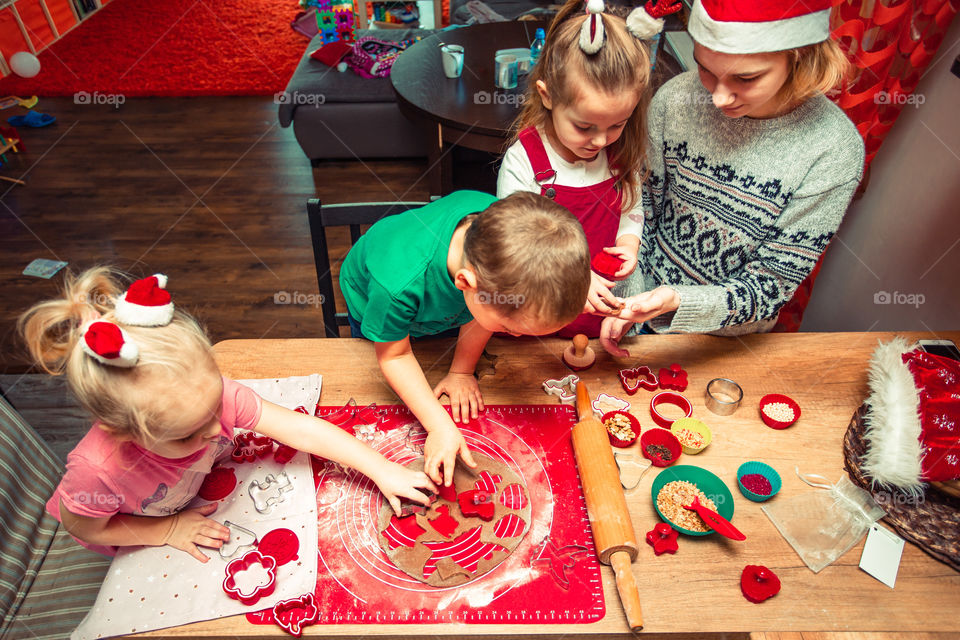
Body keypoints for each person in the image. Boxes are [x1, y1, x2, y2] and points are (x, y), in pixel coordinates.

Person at [19, 269, 437, 562]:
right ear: (125, 434)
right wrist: (165, 531)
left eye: (216, 406)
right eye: (188, 436)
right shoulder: (99, 472)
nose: (220, 429)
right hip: (136, 528)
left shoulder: (208, 404)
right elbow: (87, 529)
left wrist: (382, 469)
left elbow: (300, 429)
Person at [601, 0, 865, 355]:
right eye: (704, 69)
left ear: (800, 55)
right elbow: (637, 212)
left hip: (728, 347)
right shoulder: (676, 100)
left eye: (746, 78)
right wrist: (630, 301)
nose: (719, 97)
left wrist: (679, 302)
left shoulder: (833, 150)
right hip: (632, 319)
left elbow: (770, 287)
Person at [339, 190, 591, 486]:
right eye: (509, 329)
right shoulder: (395, 287)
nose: (516, 336)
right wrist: (439, 426)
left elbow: (480, 313)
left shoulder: (497, 241)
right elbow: (395, 355)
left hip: (449, 306)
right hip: (373, 299)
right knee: (395, 338)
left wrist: (461, 370)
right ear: (465, 283)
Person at [497, 0, 677, 337]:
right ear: (547, 96)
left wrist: (628, 242)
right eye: (584, 127)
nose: (600, 141)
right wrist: (578, 278)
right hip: (540, 309)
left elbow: (631, 208)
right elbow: (516, 247)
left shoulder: (619, 154)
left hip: (602, 310)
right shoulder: (524, 161)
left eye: (616, 125)